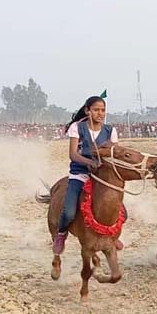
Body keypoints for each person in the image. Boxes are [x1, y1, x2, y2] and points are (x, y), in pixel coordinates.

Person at [52, 96, 123, 255]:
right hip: (80, 174)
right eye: (96, 110)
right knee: (69, 211)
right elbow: (73, 154)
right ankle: (61, 234)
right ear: (87, 111)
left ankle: (112, 235)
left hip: (101, 177)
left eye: (103, 110)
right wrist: (89, 163)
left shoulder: (110, 131)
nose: (100, 113)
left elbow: (113, 154)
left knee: (122, 211)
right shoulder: (77, 127)